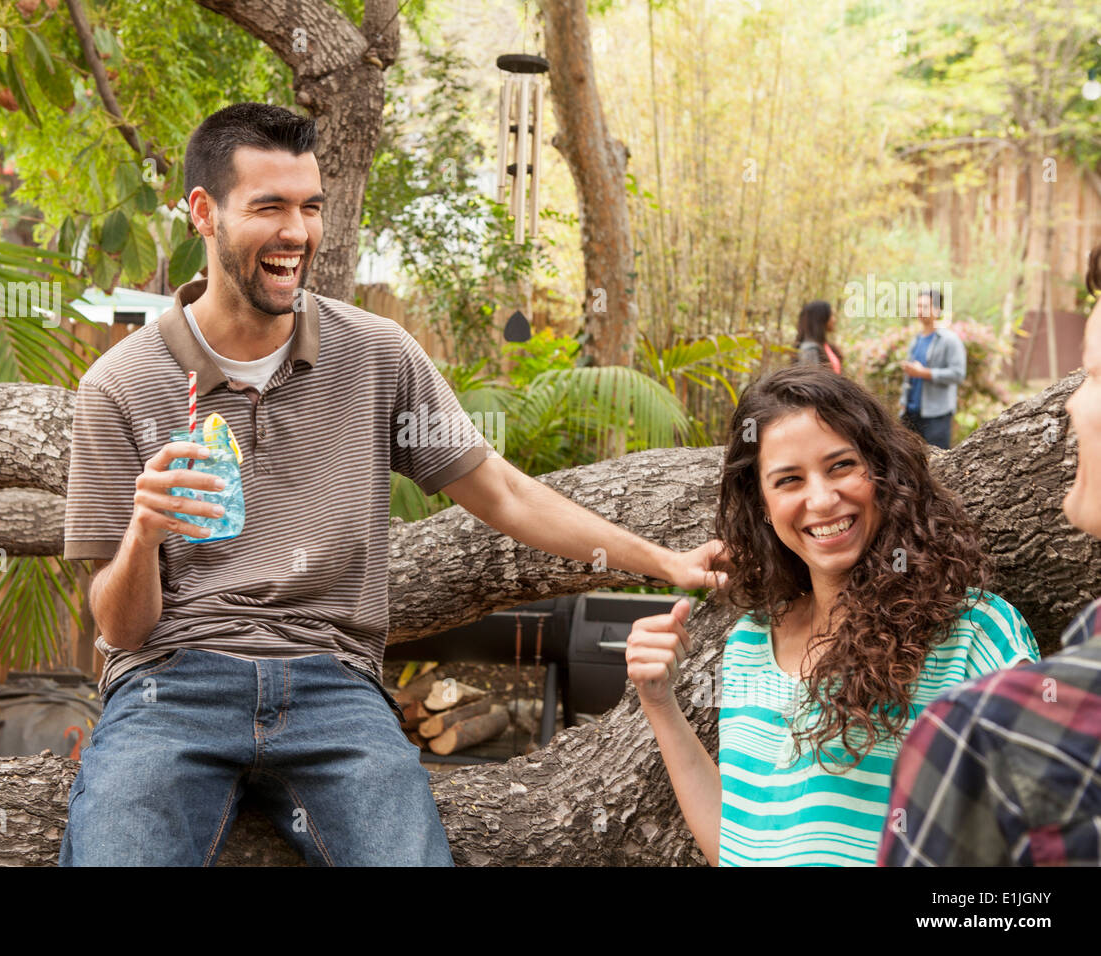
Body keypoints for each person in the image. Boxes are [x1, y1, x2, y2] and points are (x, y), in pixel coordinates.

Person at [58, 103, 728, 867]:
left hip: (332, 686)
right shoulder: (120, 383)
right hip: (171, 686)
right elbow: (121, 629)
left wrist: (663, 564)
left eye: (310, 208)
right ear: (203, 214)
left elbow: (505, 495)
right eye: (268, 207)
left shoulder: (376, 355)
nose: (296, 233)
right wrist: (143, 535)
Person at [624, 365, 1039, 866]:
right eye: (789, 480)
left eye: (841, 465)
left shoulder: (974, 634)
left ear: (883, 471)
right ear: (763, 506)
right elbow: (737, 848)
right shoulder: (750, 642)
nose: (821, 499)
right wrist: (659, 705)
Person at [877, 246, 1101, 866]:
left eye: (1095, 376)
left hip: (941, 416)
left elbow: (952, 381)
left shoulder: (983, 739)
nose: (1069, 404)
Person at [900, 288, 966, 449]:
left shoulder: (949, 340)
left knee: (937, 464)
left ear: (937, 310)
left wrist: (924, 373)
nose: (919, 310)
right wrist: (903, 401)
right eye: (918, 306)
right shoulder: (916, 340)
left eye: (925, 306)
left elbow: (958, 374)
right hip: (911, 413)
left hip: (937, 415)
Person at [794, 300, 843, 374]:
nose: (834, 320)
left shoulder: (825, 346)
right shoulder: (809, 349)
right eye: (831, 315)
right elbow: (810, 382)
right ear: (821, 318)